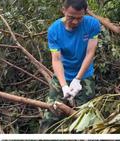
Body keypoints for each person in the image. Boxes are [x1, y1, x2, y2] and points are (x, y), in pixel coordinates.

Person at [40, 0, 101, 132]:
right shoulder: (54, 30)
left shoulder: (92, 24)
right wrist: (64, 86)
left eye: (79, 18)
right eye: (71, 17)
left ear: (85, 13)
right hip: (62, 74)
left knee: (85, 117)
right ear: (64, 10)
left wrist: (78, 79)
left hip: (84, 75)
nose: (75, 22)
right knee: (50, 114)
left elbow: (90, 53)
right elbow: (56, 60)